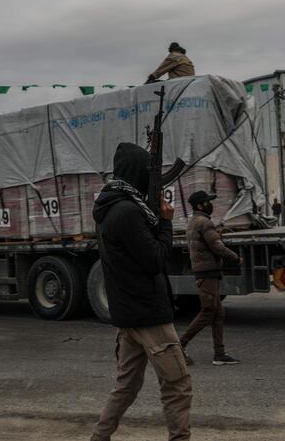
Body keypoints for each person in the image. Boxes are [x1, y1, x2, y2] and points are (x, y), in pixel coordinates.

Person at [90, 142, 192, 441]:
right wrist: (165, 222)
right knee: (177, 384)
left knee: (126, 386)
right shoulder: (127, 212)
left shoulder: (111, 207)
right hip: (148, 314)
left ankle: (99, 437)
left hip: (128, 314)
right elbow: (155, 259)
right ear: (137, 173)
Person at [179, 190, 242, 367]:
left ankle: (219, 354)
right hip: (207, 274)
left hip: (207, 273)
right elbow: (217, 247)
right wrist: (236, 258)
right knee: (208, 311)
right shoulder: (204, 222)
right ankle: (179, 345)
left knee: (218, 314)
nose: (210, 204)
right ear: (200, 205)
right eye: (207, 202)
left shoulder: (194, 222)